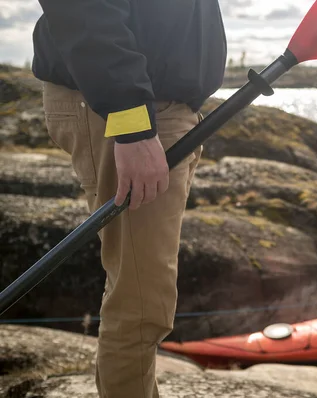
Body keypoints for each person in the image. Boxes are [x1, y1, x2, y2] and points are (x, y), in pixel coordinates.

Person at [31, 1, 227, 397]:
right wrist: (132, 123)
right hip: (129, 109)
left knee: (142, 294)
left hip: (161, 106)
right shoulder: (131, 113)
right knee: (141, 301)